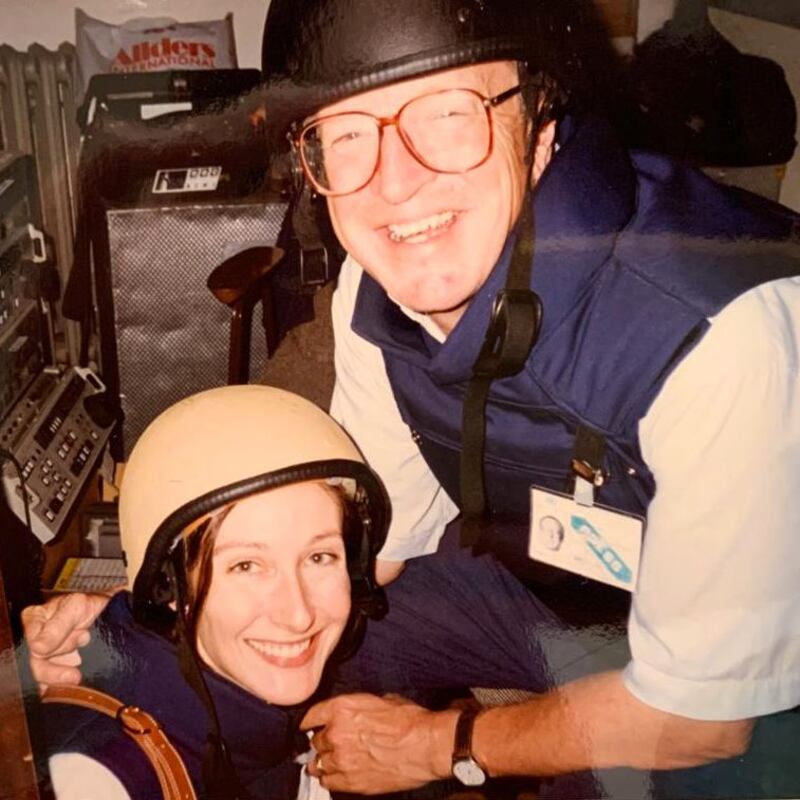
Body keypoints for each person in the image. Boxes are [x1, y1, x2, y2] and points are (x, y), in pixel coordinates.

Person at [28, 0, 800, 796]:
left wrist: (445, 744)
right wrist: (135, 613)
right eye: (349, 134)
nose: (396, 187)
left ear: (538, 128)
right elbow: (375, 554)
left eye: (447, 115)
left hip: (740, 671)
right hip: (542, 588)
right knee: (277, 638)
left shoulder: (721, 337)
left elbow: (702, 717)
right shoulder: (378, 290)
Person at [36, 384, 392, 799]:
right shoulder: (103, 773)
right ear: (167, 585)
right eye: (246, 566)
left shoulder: (238, 679)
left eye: (320, 557)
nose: (298, 615)